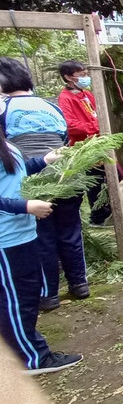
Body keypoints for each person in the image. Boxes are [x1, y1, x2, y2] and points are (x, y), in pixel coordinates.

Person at [0, 57, 89, 310]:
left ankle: (49, 294)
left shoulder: (5, 110)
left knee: (42, 237)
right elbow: (64, 138)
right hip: (65, 175)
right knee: (71, 231)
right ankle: (79, 284)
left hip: (31, 183)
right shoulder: (51, 106)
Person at [0, 123, 81, 373]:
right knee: (16, 299)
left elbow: (15, 173)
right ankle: (31, 358)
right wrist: (26, 207)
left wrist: (45, 159)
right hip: (5, 238)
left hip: (21, 234)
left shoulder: (5, 142)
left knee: (26, 294)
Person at [56, 59, 111, 227]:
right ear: (68, 77)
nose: (86, 77)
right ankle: (99, 216)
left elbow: (99, 112)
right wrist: (95, 126)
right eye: (82, 75)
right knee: (94, 182)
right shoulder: (65, 98)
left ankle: (108, 212)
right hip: (83, 145)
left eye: (86, 74)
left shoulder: (87, 94)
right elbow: (70, 125)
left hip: (99, 141)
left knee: (110, 177)